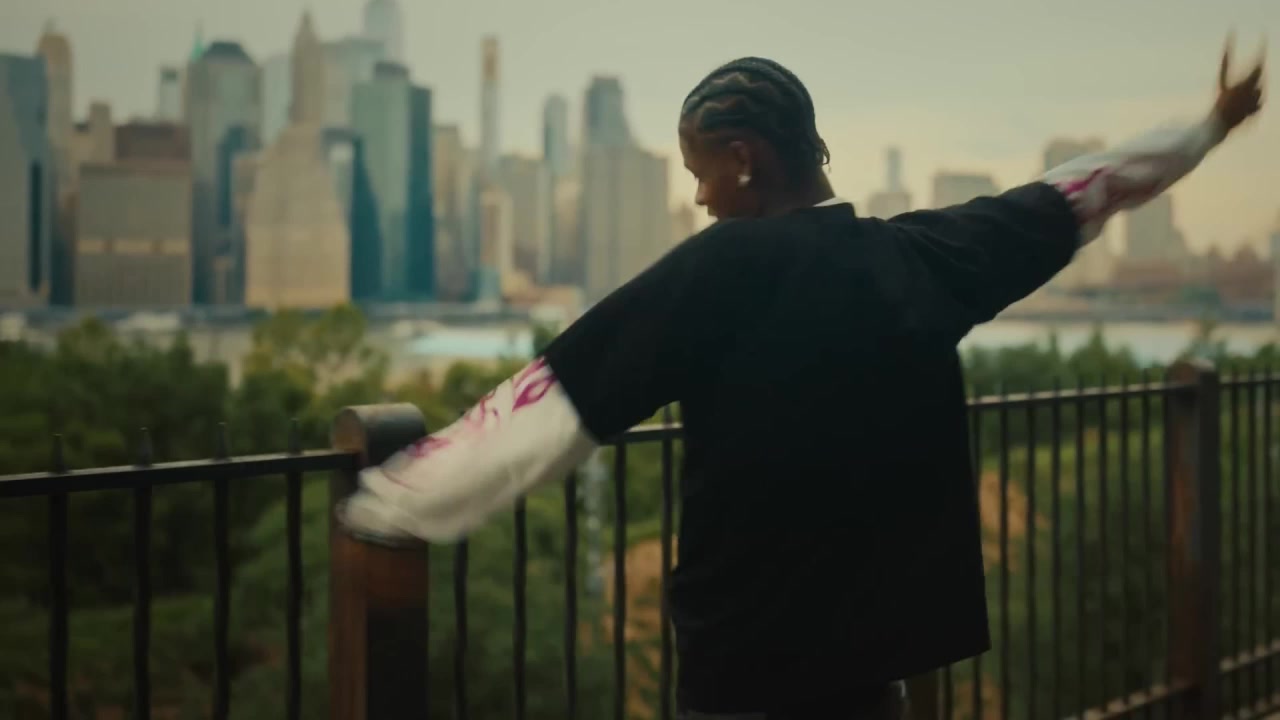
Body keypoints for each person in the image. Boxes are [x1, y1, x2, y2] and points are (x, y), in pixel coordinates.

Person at [339, 41, 1265, 719]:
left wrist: (392, 499)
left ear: (745, 160)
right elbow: (1077, 194)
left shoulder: (716, 271)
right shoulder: (923, 258)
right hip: (873, 673)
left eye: (702, 172)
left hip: (744, 674)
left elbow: (554, 401)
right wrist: (1208, 127)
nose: (700, 196)